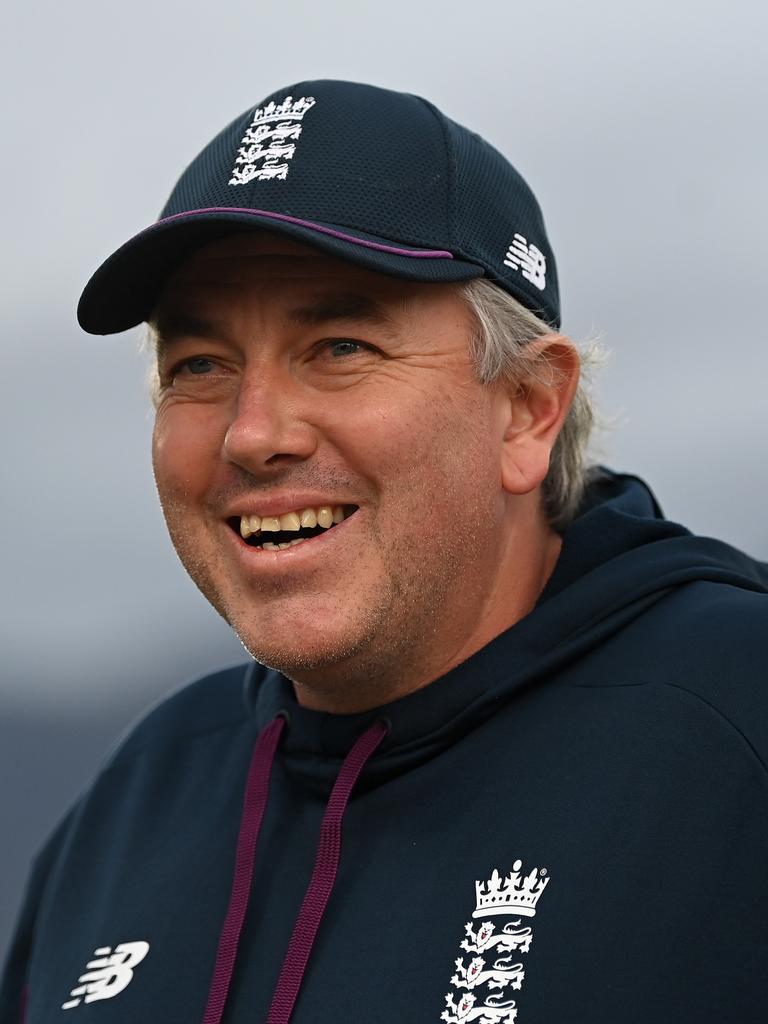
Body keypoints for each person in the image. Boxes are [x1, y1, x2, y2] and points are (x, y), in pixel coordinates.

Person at [1, 79, 766, 1024]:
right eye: (199, 366)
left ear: (528, 408)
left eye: (341, 346)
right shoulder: (133, 803)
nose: (253, 434)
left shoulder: (736, 722)